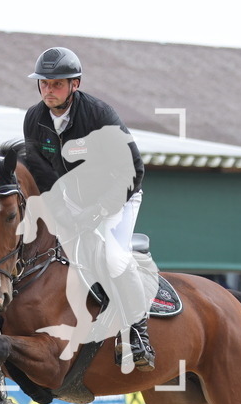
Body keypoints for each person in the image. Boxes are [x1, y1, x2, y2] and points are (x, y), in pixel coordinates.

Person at [23, 47, 155, 371]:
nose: (48, 90)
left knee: (113, 257)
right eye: (44, 84)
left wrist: (97, 212)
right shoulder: (34, 119)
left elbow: (133, 170)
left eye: (56, 84)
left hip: (118, 198)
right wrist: (61, 210)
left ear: (75, 84)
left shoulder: (99, 116)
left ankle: (138, 334)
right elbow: (42, 175)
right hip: (71, 203)